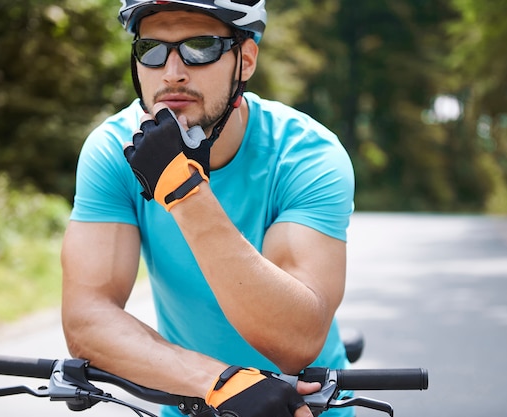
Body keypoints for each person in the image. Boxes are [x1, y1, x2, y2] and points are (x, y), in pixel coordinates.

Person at [61, 1, 355, 417]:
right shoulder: (113, 151)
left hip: (306, 406)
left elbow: (295, 339)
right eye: (152, 50)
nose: (172, 72)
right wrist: (216, 383)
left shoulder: (306, 154)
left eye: (200, 47)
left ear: (246, 60)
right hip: (193, 398)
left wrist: (184, 190)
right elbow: (87, 318)